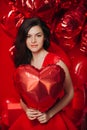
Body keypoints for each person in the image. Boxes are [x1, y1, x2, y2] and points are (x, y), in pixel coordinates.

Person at [9, 17, 77, 130]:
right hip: (29, 121)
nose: (33, 41)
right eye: (29, 36)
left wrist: (49, 114)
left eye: (38, 35)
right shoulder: (23, 62)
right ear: (24, 39)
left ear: (44, 37)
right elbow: (22, 97)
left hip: (52, 120)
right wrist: (26, 110)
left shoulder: (57, 62)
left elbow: (70, 93)